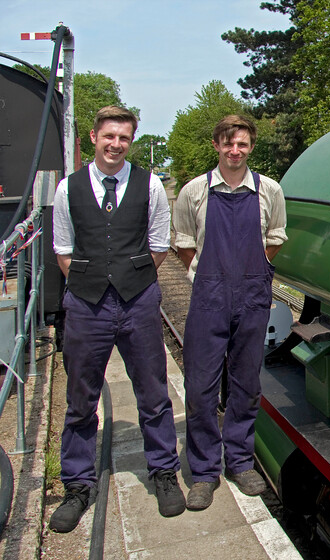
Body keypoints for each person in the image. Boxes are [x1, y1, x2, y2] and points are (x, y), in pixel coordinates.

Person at [50, 106, 184, 533]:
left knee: (154, 392)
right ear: (93, 137)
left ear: (131, 141)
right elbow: (62, 249)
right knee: (80, 398)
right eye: (109, 136)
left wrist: (129, 279)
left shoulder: (151, 186)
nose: (116, 144)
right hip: (86, 305)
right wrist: (95, 283)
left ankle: (163, 471)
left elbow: (160, 244)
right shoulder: (67, 189)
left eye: (124, 138)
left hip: (138, 301)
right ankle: (77, 485)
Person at [173, 114, 286, 510]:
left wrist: (255, 273)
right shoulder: (194, 191)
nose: (234, 150)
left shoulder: (269, 190)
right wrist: (202, 274)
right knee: (200, 385)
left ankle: (239, 461)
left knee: (246, 383)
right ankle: (204, 471)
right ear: (217, 146)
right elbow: (184, 242)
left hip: (253, 297)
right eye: (227, 143)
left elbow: (275, 238)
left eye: (241, 144)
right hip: (209, 298)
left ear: (250, 146)